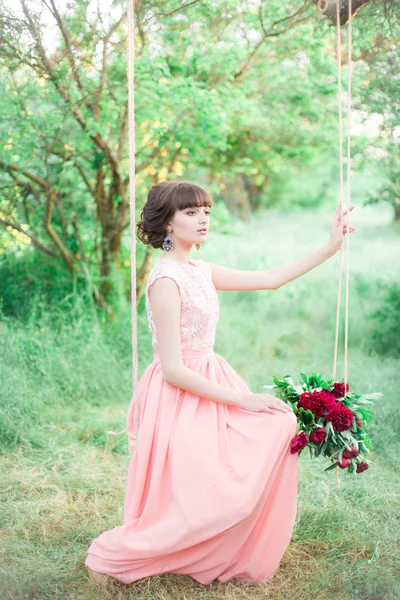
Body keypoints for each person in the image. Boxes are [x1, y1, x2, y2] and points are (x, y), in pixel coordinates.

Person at [85, 180, 355, 586]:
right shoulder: (165, 280)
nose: (203, 219)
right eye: (191, 213)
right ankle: (114, 556)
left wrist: (330, 247)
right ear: (168, 224)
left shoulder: (200, 270)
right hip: (180, 390)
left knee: (278, 426)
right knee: (205, 489)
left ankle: (220, 548)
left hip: (211, 375)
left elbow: (271, 278)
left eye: (206, 211)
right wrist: (243, 399)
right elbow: (174, 369)